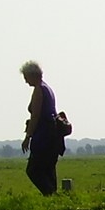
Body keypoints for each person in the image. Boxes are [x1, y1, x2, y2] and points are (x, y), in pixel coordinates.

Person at [19, 60, 65, 195]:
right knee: (48, 169)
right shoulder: (48, 88)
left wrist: (28, 137)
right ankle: (54, 198)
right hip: (53, 135)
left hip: (44, 136)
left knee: (33, 170)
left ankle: (50, 194)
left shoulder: (39, 90)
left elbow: (36, 116)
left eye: (26, 77)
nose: (26, 81)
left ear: (32, 75)